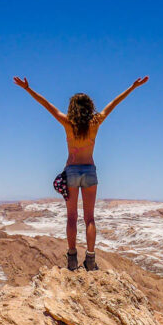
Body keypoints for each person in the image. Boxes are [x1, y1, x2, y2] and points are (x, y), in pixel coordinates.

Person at [13, 76, 149, 271]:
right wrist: (132, 87)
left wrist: (28, 89)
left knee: (71, 217)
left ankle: (71, 259)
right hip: (89, 171)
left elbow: (47, 105)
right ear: (89, 106)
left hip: (72, 171)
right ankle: (91, 260)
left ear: (73, 107)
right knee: (90, 218)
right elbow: (114, 104)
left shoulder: (67, 123)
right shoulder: (96, 122)